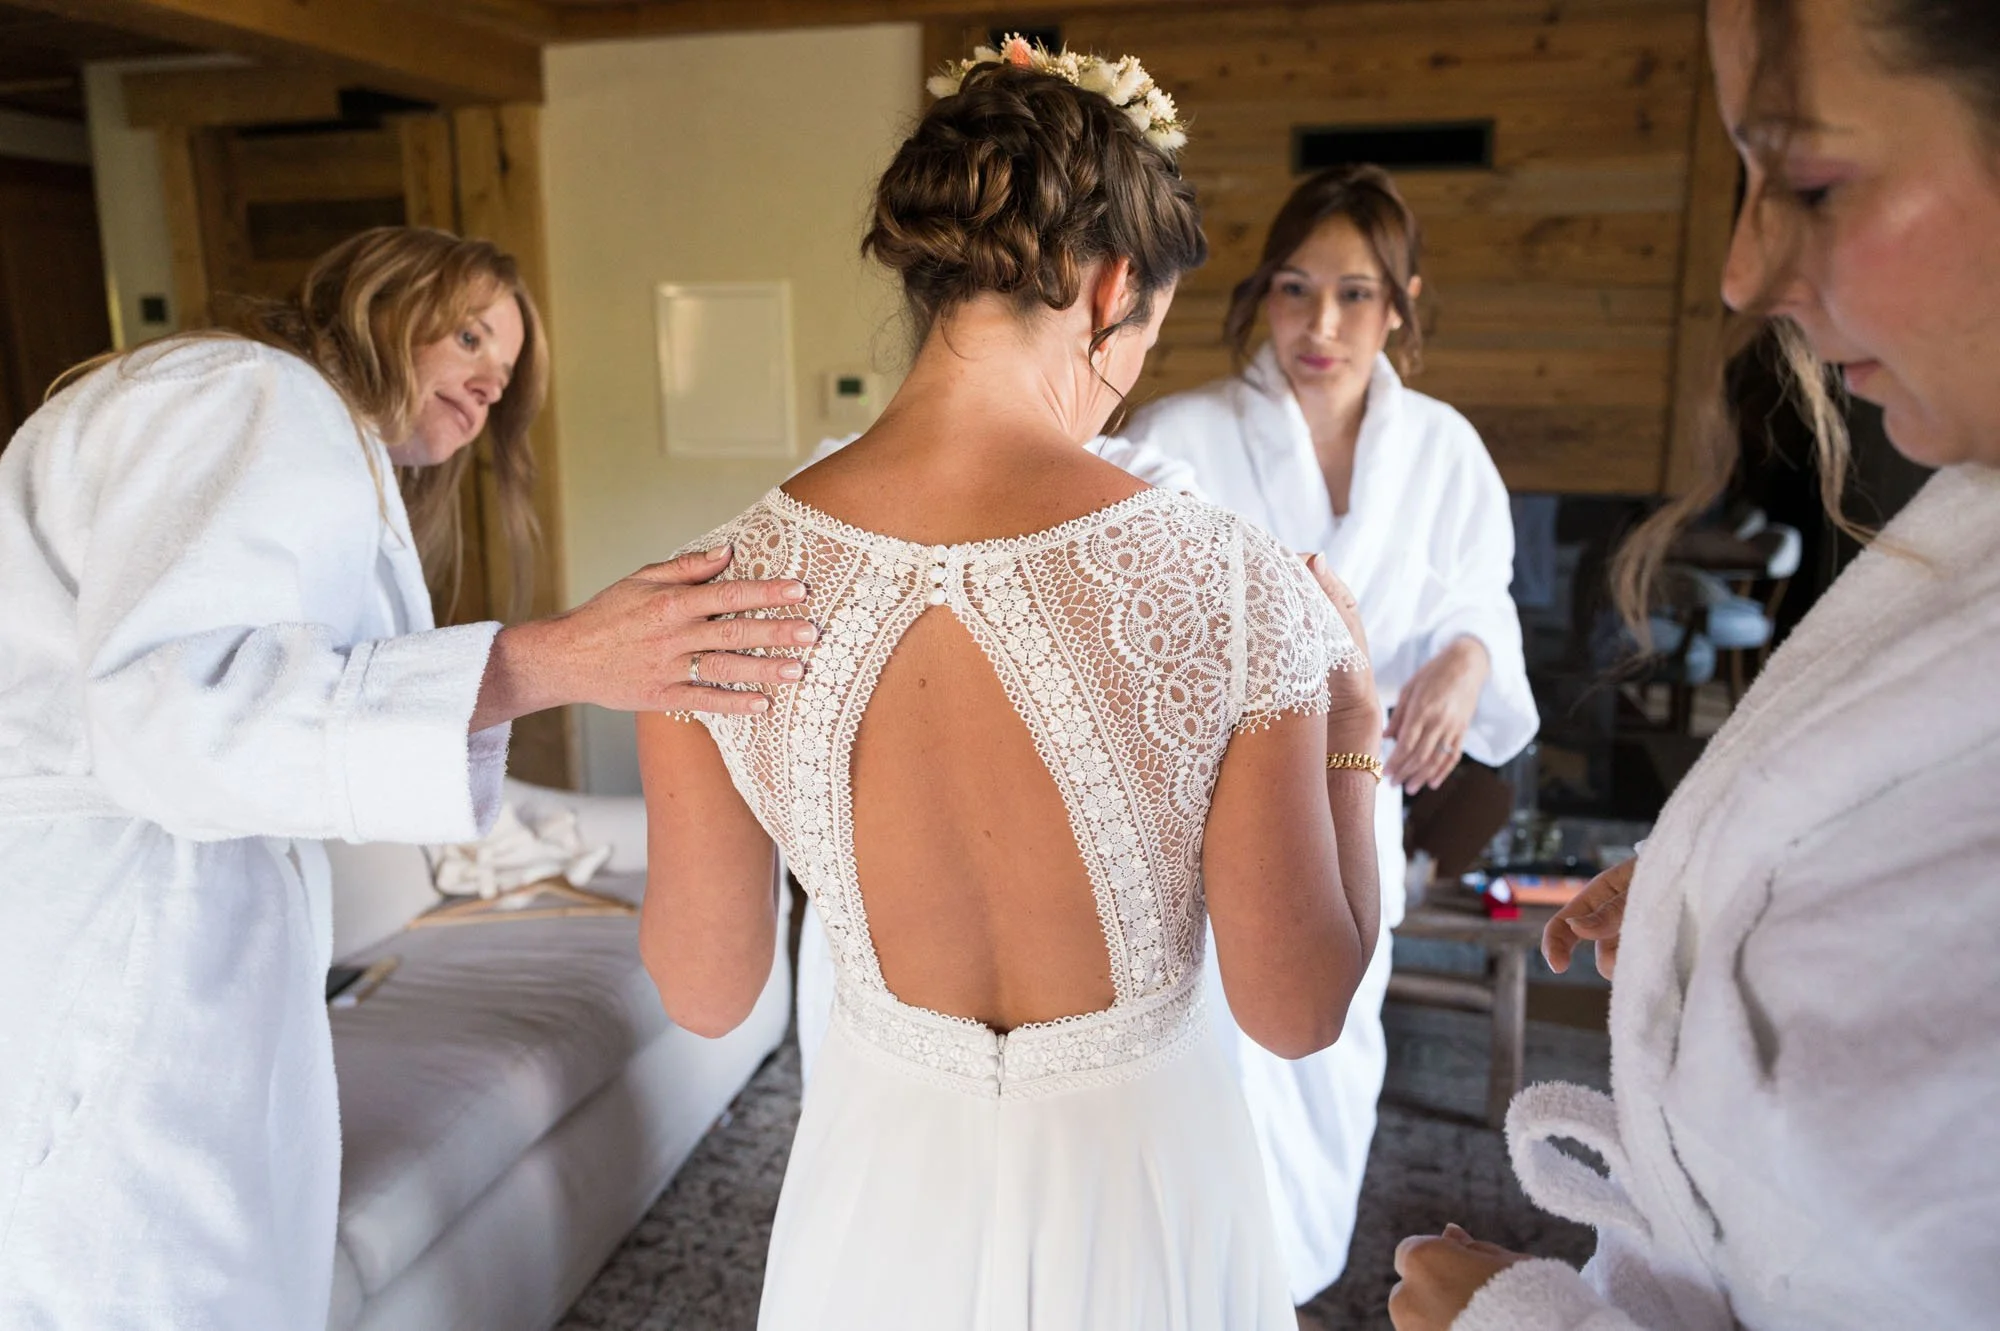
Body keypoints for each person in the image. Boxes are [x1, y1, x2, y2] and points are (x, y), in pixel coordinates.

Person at [633, 40, 1383, 1330]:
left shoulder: (705, 586)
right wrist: (1353, 739)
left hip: (877, 1188)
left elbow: (707, 993)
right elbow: (1297, 1010)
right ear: (1109, 288)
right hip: (1141, 1181)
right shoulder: (1239, 586)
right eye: (1143, 332)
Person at [0, 227, 808, 1327]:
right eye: (471, 334)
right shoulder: (246, 395)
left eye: (506, 369)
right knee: (135, 1272)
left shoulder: (318, 450)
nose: (488, 380)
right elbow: (177, 714)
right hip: (111, 925)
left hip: (194, 908)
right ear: (381, 302)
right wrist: (563, 657)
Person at [1389, 0, 2000, 1326]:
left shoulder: (1435, 443)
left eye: (1813, 177)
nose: (1741, 273)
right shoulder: (1975, 521)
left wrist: (1512, 1315)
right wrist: (1720, 887)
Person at [1116, 163, 1540, 1304]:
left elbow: (1478, 597)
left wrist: (1463, 659)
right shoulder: (1177, 433)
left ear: (1399, 303)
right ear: (1259, 294)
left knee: (1323, 1061)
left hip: (1355, 803)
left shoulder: (1442, 449)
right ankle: (1199, 1296)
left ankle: (1286, 1286)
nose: (1319, 324)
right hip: (1198, 824)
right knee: (1202, 1077)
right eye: (1294, 289)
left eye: (1354, 294)